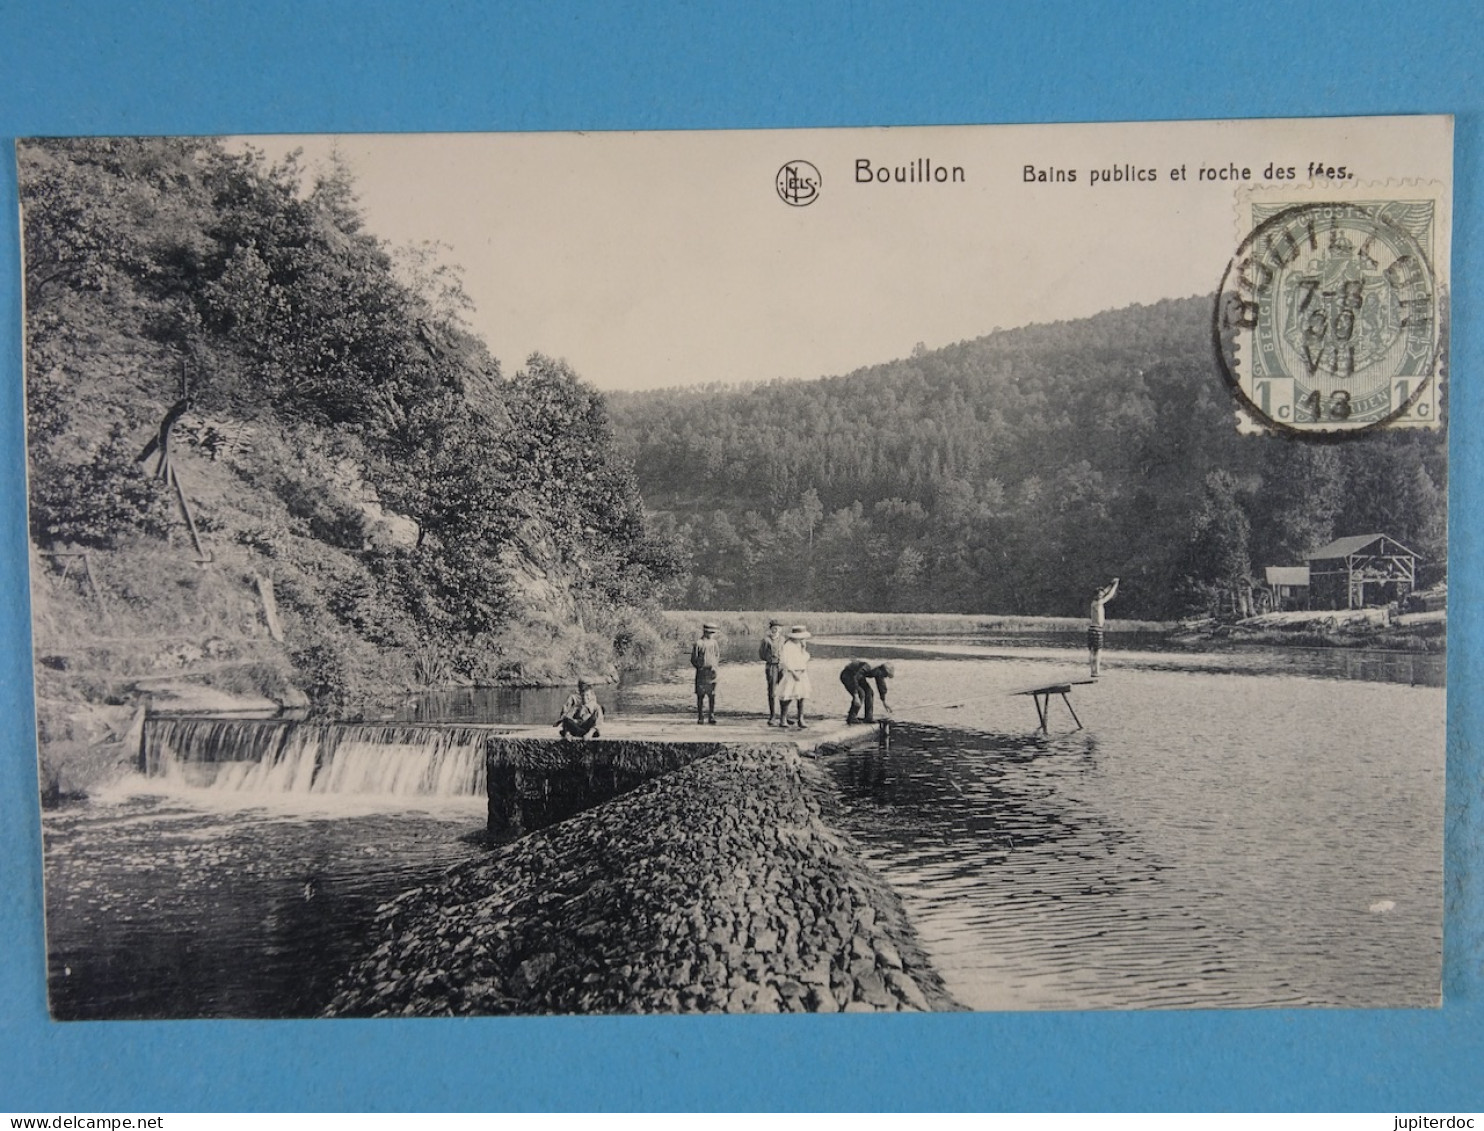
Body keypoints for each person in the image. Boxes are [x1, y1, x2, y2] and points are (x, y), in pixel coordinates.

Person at [775, 625, 813, 728]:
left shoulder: (800, 645)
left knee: (801, 696)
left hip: (802, 673)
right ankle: (783, 720)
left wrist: (803, 649)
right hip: (792, 673)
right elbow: (785, 661)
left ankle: (800, 719)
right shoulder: (788, 645)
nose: (803, 639)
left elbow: (805, 658)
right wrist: (793, 672)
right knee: (787, 696)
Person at [840, 660, 894, 724]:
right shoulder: (868, 667)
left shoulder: (879, 672)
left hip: (859, 676)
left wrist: (884, 701)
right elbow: (855, 677)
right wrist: (855, 695)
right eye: (885, 675)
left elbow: (881, 685)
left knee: (869, 692)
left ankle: (868, 718)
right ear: (883, 670)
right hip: (848, 675)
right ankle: (852, 718)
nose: (885, 677)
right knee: (861, 693)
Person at [691, 621, 721, 724]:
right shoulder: (699, 643)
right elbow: (693, 659)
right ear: (706, 632)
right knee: (700, 695)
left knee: (712, 695)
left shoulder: (714, 643)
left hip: (712, 672)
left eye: (713, 633)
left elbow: (717, 656)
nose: (712, 635)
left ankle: (711, 715)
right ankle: (700, 716)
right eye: (711, 633)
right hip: (702, 672)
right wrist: (700, 667)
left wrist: (715, 667)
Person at [1088, 577, 1119, 678]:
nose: (1101, 595)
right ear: (1096, 595)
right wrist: (1115, 586)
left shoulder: (1095, 602)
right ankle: (1095, 672)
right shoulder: (1098, 602)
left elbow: (1104, 592)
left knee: (1093, 651)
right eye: (1100, 595)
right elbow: (1109, 595)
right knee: (1098, 651)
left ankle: (1093, 671)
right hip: (1097, 629)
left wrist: (1110, 584)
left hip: (1093, 629)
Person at [759, 618, 787, 725]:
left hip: (782, 667)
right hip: (771, 666)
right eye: (774, 627)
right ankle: (772, 716)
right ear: (771, 628)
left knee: (784, 690)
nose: (776, 629)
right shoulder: (766, 640)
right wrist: (770, 660)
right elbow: (761, 654)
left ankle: (784, 717)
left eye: (778, 627)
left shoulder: (783, 639)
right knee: (772, 692)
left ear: (780, 629)